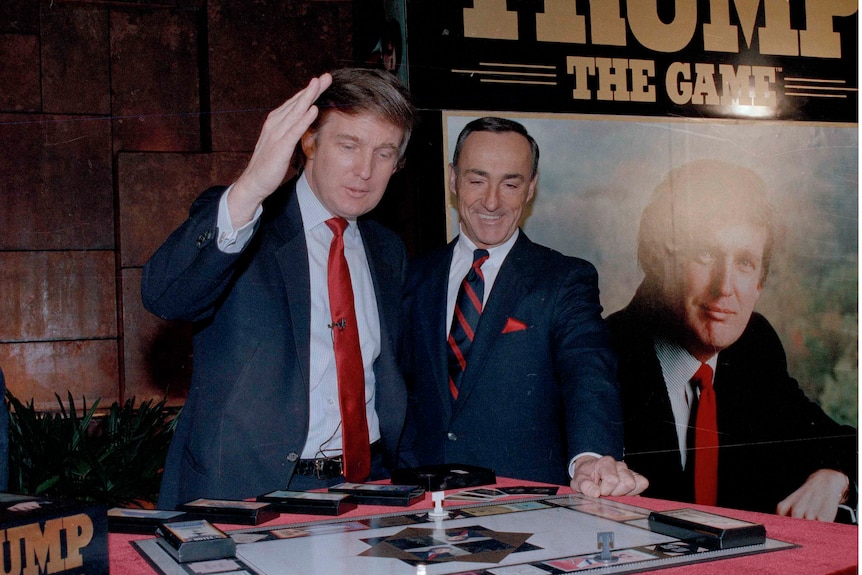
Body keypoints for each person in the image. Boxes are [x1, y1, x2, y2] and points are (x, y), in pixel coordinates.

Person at [142, 68, 415, 509]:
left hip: (369, 488)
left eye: (384, 154)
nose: (365, 170)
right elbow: (164, 296)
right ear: (308, 142)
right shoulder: (244, 219)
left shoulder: (388, 250)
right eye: (349, 145)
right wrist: (250, 188)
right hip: (252, 492)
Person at [398, 117, 648, 498]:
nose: (492, 201)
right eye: (477, 180)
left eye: (510, 183)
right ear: (453, 179)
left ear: (530, 188)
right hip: (420, 503)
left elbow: (588, 373)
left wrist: (589, 458)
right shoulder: (412, 277)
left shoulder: (564, 279)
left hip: (524, 507)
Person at [607, 159, 857, 521]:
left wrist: (837, 476)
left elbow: (840, 442)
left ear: (760, 283)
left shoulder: (753, 346)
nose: (724, 288)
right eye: (705, 254)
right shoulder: (601, 355)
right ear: (661, 262)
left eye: (744, 263)